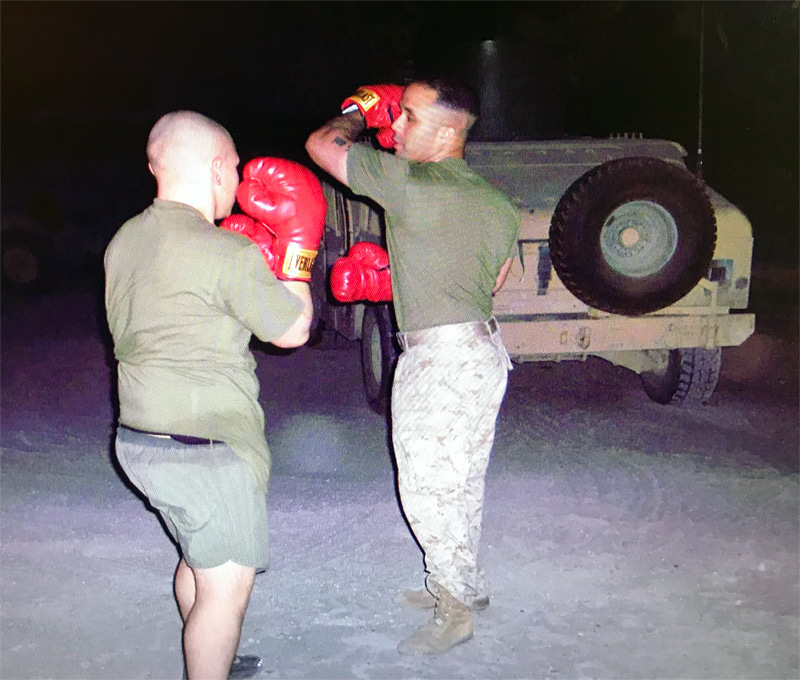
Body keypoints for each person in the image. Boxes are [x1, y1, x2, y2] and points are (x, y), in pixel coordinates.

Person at [306, 78, 522, 655]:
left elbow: (322, 145)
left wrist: (357, 111)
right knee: (463, 478)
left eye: (408, 117)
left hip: (440, 357)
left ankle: (454, 613)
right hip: (482, 351)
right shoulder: (498, 202)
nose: (395, 126)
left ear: (447, 133)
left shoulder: (409, 183)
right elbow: (499, 280)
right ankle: (464, 585)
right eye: (394, 114)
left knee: (428, 485)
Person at [105, 110, 323, 679]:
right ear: (219, 168)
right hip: (205, 447)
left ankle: (212, 658)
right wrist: (297, 255)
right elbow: (292, 330)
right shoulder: (223, 251)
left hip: (140, 437)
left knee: (199, 558)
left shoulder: (126, 240)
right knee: (226, 587)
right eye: (235, 167)